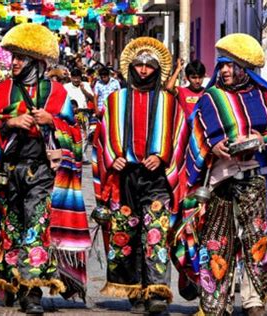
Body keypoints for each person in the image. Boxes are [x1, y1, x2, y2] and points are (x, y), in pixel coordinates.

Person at [172, 33, 267, 316]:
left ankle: (254, 300)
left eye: (232, 64)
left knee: (255, 239)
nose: (226, 70)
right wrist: (212, 146)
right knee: (218, 239)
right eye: (222, 64)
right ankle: (216, 302)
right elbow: (196, 135)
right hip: (219, 182)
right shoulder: (211, 97)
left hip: (253, 180)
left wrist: (262, 139)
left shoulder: (264, 97)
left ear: (245, 68)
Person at [0, 23, 90, 314]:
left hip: (42, 170)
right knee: (11, 227)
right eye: (13, 57)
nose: (14, 62)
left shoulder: (57, 94)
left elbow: (75, 134)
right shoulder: (2, 90)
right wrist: (10, 123)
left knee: (36, 225)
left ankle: (32, 291)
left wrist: (52, 121)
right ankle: (13, 284)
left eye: (20, 58)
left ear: (36, 62)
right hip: (7, 170)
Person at [92, 37, 181, 314]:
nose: (143, 70)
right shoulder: (116, 100)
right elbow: (101, 135)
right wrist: (113, 158)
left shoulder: (169, 102)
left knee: (155, 234)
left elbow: (180, 135)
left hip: (156, 179)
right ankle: (135, 293)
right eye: (139, 65)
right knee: (127, 235)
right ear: (131, 67)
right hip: (125, 178)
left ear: (158, 70)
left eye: (149, 66)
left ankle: (156, 292)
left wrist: (163, 155)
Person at [64, 68, 94, 163]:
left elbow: (92, 98)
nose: (76, 80)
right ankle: (74, 153)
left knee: (85, 134)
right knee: (71, 134)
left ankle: (82, 154)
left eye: (78, 78)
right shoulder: (66, 86)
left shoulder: (85, 85)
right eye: (74, 78)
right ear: (71, 77)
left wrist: (83, 90)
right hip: (71, 113)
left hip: (83, 112)